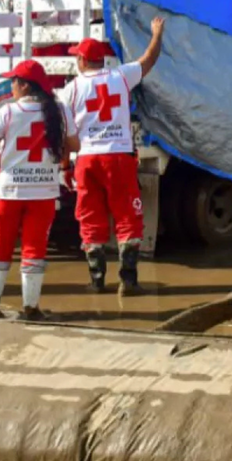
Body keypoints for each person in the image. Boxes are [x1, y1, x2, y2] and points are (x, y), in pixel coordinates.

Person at [60, 16, 165, 295]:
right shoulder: (120, 76)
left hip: (86, 158)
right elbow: (149, 59)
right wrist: (156, 33)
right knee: (127, 215)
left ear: (83, 60)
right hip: (118, 156)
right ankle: (128, 281)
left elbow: (65, 134)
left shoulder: (70, 90)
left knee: (89, 216)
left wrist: (64, 167)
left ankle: (96, 281)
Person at [0, 59, 79, 320]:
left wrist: (5, 156)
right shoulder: (59, 110)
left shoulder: (8, 112)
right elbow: (75, 145)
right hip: (43, 191)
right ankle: (30, 309)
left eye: (13, 81)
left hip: (8, 190)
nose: (11, 85)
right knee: (35, 248)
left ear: (24, 86)